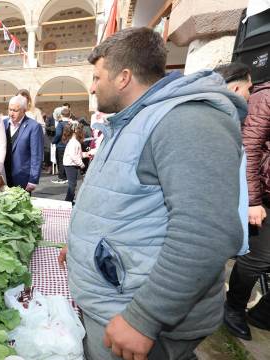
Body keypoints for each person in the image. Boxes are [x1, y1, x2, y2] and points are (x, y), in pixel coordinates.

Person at [62, 27, 247, 359]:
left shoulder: (187, 121)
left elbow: (206, 234)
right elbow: (124, 200)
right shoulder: (133, 120)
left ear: (123, 78)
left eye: (96, 77)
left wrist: (145, 317)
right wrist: (81, 245)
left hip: (135, 316)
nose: (91, 87)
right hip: (115, 301)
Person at [218, 65, 270, 339]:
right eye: (248, 89)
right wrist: (253, 200)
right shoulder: (265, 99)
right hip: (263, 196)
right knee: (258, 257)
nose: (249, 95)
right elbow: (249, 147)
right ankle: (234, 308)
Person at [3, 96, 44, 192]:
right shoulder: (3, 124)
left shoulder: (33, 127)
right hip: (3, 176)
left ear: (24, 110)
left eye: (15, 110)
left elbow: (36, 155)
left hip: (22, 178)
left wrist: (33, 179)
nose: (11, 113)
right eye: (10, 110)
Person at [61, 123, 85, 202]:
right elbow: (73, 155)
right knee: (72, 184)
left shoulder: (74, 142)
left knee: (73, 184)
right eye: (79, 129)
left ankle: (69, 200)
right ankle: (68, 201)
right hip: (70, 165)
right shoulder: (73, 142)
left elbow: (77, 154)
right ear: (75, 130)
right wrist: (81, 164)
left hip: (71, 164)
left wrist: (85, 154)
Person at [51, 107, 74, 183]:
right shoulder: (72, 124)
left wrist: (53, 141)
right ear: (70, 115)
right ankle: (68, 176)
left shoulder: (60, 124)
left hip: (61, 145)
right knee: (69, 161)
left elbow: (58, 134)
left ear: (61, 115)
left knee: (60, 161)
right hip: (70, 145)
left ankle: (62, 177)